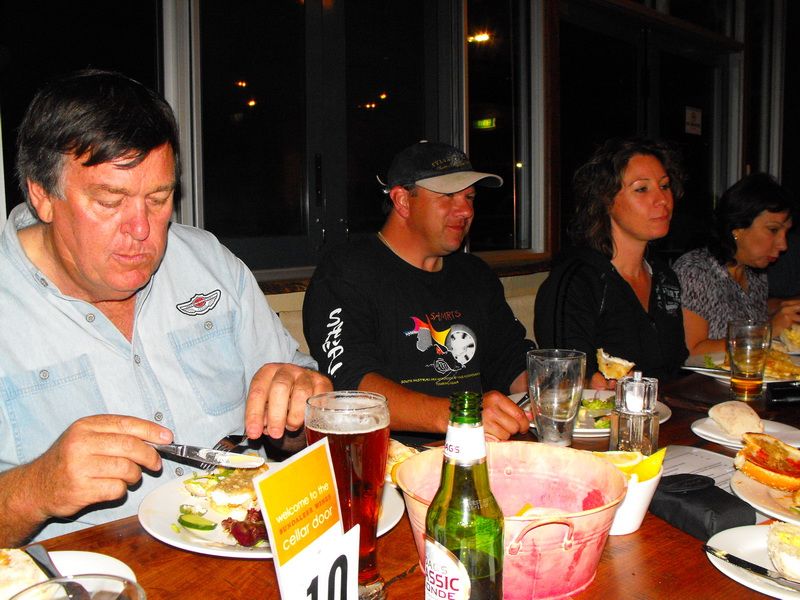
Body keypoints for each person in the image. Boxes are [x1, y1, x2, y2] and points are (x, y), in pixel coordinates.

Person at [0, 70, 330, 546]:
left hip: (250, 554)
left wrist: (303, 409)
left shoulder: (208, 262)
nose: (142, 229)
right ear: (42, 196)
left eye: (159, 199)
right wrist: (34, 491)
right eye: (110, 201)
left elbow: (305, 430)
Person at [302, 141, 534, 441]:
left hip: (479, 450)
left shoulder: (475, 274)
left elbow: (510, 362)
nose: (465, 210)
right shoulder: (346, 272)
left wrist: (555, 386)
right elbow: (350, 387)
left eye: (470, 197)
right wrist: (456, 415)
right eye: (448, 196)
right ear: (403, 201)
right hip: (386, 458)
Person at [534, 137, 688, 389]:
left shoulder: (664, 277)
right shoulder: (577, 280)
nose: (662, 199)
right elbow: (564, 377)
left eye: (665, 186)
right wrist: (591, 382)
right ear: (606, 199)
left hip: (669, 409)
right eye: (642, 189)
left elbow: (676, 367)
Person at [674, 173, 800, 355]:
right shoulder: (695, 271)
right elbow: (692, 352)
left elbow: (744, 310)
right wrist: (766, 332)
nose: (783, 245)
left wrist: (785, 307)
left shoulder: (754, 274)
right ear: (737, 229)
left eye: (785, 233)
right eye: (773, 230)